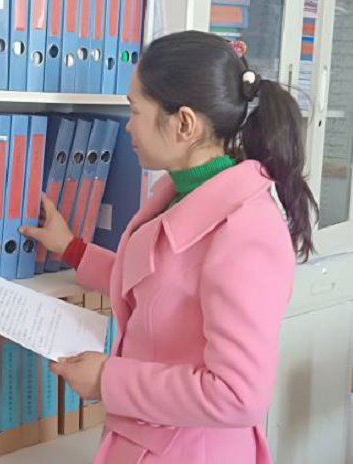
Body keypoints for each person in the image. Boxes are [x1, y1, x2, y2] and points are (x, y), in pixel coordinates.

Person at [20, 30, 318, 464]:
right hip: (149, 441)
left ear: (184, 123)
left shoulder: (247, 231)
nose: (127, 126)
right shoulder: (179, 192)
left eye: (135, 110)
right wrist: (72, 250)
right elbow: (159, 282)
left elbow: (238, 395)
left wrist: (107, 379)